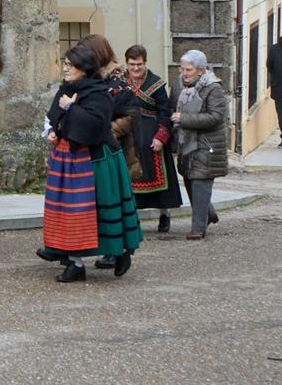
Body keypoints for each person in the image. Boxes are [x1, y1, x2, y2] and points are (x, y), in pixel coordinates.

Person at [37, 44, 138, 280]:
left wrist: (71, 108)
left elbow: (95, 125)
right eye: (65, 64)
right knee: (71, 214)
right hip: (67, 160)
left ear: (84, 68)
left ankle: (120, 250)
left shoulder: (97, 92)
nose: (66, 68)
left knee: (96, 212)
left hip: (96, 161)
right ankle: (75, 264)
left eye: (71, 65)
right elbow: (54, 116)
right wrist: (52, 130)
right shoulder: (66, 88)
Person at [115, 45, 181, 232]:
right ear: (126, 63)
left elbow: (164, 112)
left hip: (151, 135)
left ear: (145, 63)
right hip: (127, 134)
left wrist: (161, 136)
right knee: (129, 178)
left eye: (139, 64)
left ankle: (164, 214)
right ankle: (131, 217)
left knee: (157, 176)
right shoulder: (119, 82)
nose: (135, 68)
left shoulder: (156, 84)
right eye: (132, 64)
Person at [172, 50, 228, 240]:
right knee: (189, 179)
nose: (184, 73)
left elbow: (215, 117)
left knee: (199, 182)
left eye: (189, 69)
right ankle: (208, 212)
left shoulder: (213, 88)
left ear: (201, 70)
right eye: (183, 69)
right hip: (187, 142)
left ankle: (198, 228)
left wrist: (184, 119)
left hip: (207, 143)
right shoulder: (181, 85)